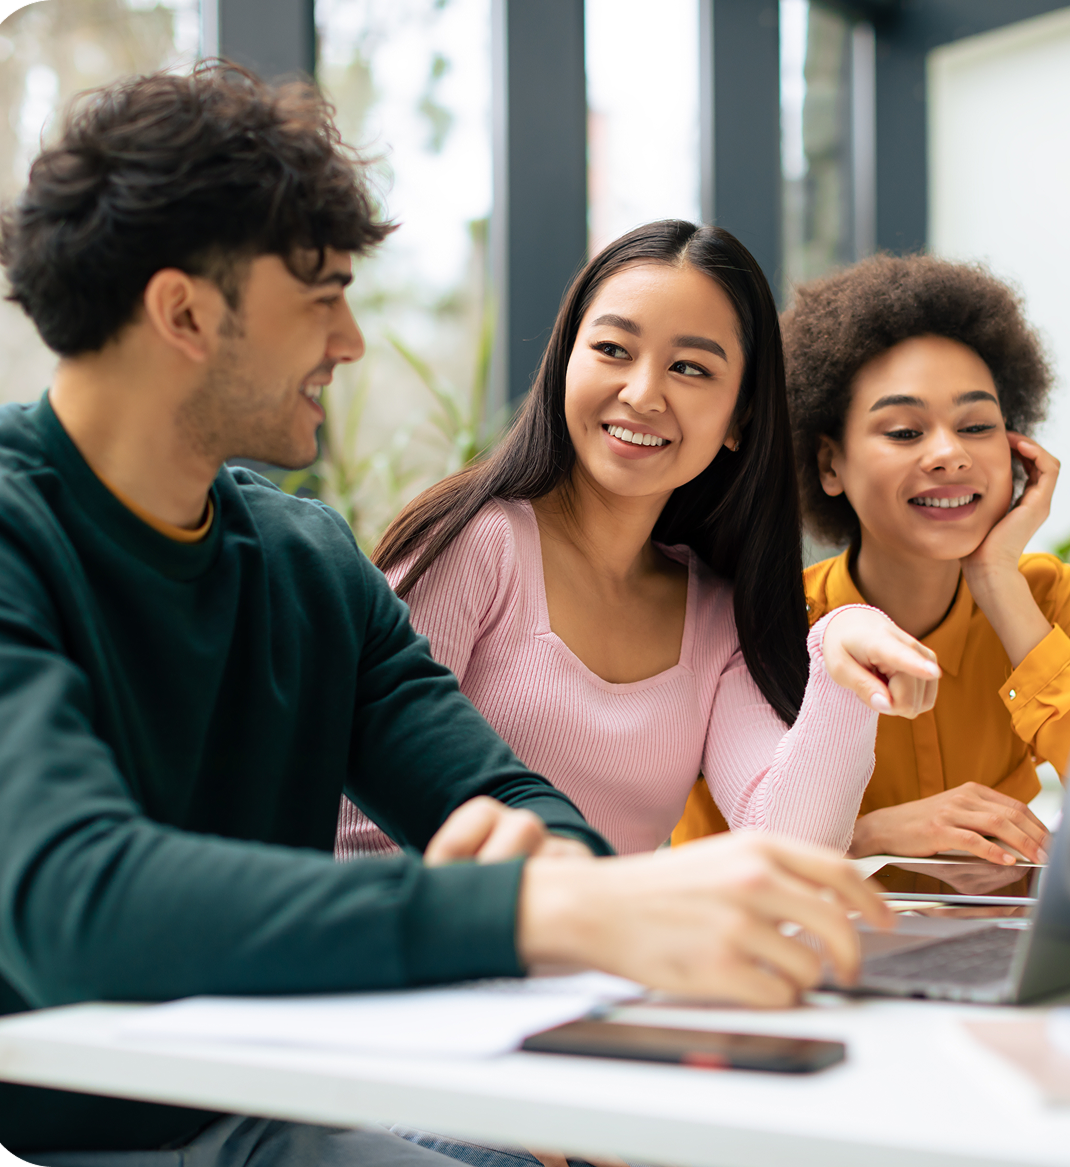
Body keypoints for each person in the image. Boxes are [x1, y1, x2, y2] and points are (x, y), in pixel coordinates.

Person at [0, 63, 894, 1167]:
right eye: (321, 294)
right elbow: (77, 900)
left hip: (258, 1117)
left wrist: (560, 879)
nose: (351, 340)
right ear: (184, 312)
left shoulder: (304, 561)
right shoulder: (3, 540)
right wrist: (531, 916)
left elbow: (503, 797)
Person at [336, 221, 942, 867]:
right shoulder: (474, 544)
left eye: (689, 367)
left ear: (740, 417)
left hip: (608, 963)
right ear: (566, 361)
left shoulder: (716, 613)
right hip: (440, 955)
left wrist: (841, 660)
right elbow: (355, 830)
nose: (642, 393)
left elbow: (788, 842)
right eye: (612, 350)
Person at [671, 254, 1070, 866]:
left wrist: (998, 582)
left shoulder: (1043, 598)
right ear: (829, 464)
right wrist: (865, 838)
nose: (950, 455)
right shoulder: (766, 624)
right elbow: (706, 865)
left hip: (1005, 950)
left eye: (977, 425)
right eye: (904, 432)